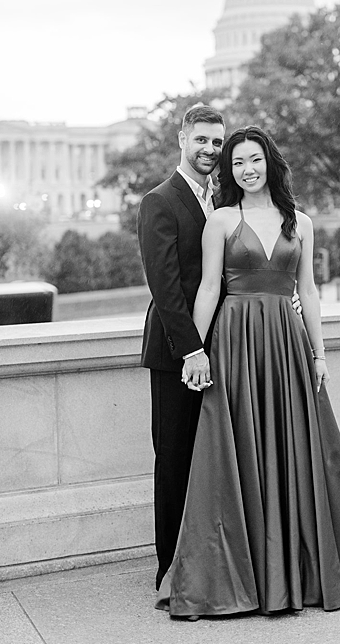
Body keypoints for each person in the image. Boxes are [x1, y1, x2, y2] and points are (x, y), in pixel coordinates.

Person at [156, 125, 340, 618]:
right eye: (237, 162)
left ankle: (298, 571)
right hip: (235, 342)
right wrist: (193, 353)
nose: (247, 169)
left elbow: (308, 291)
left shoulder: (299, 222)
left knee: (296, 449)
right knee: (233, 449)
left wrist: (319, 354)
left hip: (286, 342)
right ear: (230, 171)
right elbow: (207, 292)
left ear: (270, 163)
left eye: (254, 159)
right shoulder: (219, 220)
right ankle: (238, 576)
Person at [137, 102, 225, 591]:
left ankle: (211, 558)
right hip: (177, 355)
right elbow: (165, 287)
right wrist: (192, 351)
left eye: (217, 142)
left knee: (214, 457)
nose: (210, 149)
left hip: (222, 349)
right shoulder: (160, 201)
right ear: (182, 139)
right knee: (174, 459)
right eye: (201, 140)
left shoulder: (222, 198)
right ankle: (169, 569)